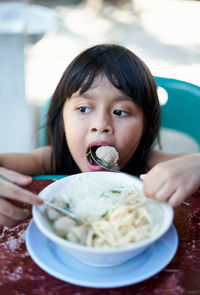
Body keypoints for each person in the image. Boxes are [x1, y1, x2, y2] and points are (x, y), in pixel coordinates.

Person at [0, 44, 200, 226]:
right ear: (62, 119)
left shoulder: (150, 164)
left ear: (145, 126)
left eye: (120, 112)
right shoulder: (49, 159)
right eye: (84, 109)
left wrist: (195, 164)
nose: (101, 125)